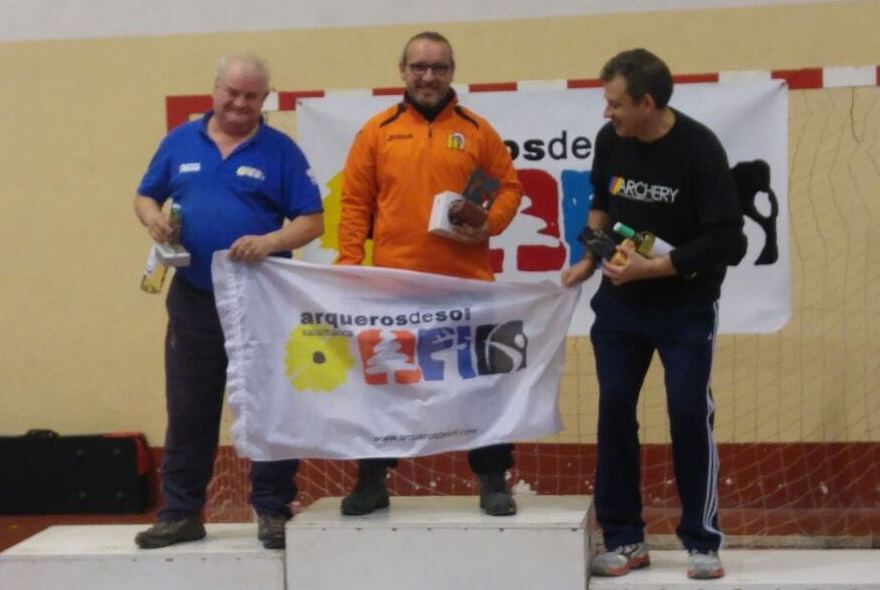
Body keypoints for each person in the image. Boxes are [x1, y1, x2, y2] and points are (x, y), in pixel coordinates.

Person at [562, 48, 746, 580]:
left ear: (646, 102)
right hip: (620, 308)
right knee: (614, 410)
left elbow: (727, 241)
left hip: (686, 308)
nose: (607, 113)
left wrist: (656, 268)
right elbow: (602, 202)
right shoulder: (611, 140)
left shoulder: (699, 149)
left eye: (615, 103)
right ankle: (624, 539)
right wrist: (589, 257)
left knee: (688, 411)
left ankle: (702, 541)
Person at [133, 54, 324, 549]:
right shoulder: (179, 142)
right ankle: (180, 514)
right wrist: (153, 219)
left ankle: (272, 510)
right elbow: (145, 196)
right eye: (232, 93)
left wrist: (270, 242)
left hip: (262, 301)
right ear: (215, 90)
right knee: (189, 408)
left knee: (269, 405)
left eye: (251, 96)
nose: (240, 103)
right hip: (194, 300)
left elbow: (312, 221)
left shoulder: (281, 151)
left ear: (265, 99)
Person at [336, 31, 522, 517]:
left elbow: (509, 188)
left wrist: (489, 224)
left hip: (466, 287)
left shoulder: (478, 131)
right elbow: (354, 204)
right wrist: (349, 269)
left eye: (438, 67)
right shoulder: (377, 131)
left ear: (452, 72)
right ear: (402, 71)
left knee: (481, 384)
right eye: (419, 67)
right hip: (394, 287)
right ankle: (372, 480)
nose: (428, 77)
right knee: (382, 386)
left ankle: (493, 480)